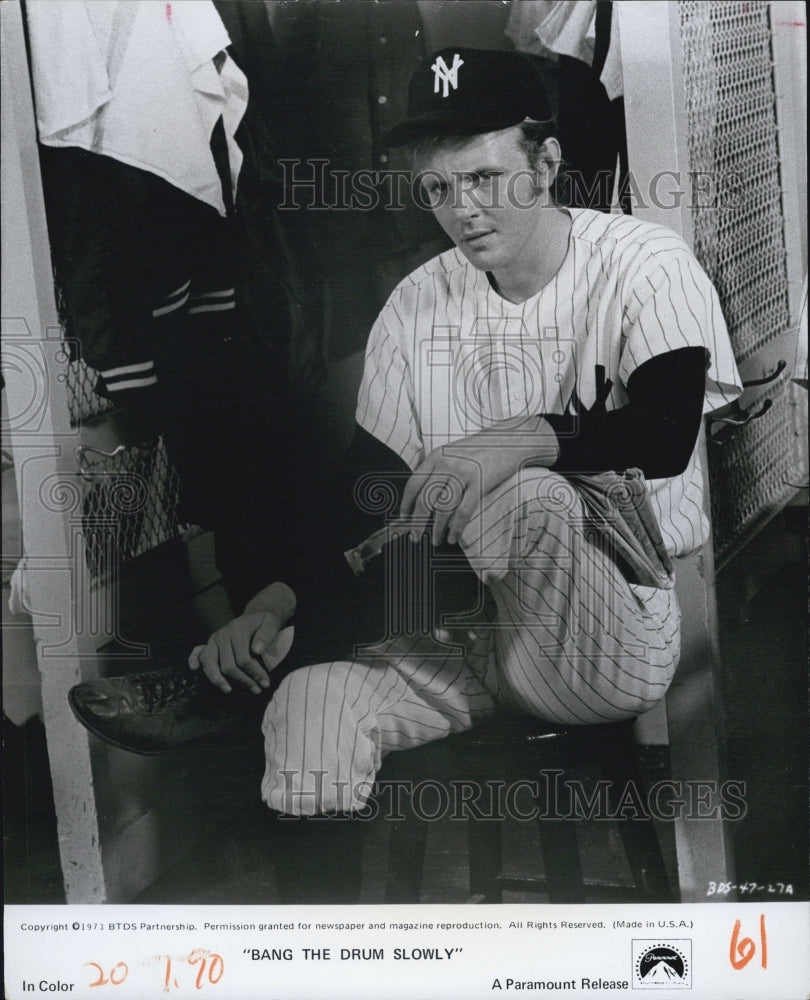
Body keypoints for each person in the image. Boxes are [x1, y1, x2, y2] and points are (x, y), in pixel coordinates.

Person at [70, 48, 742, 903]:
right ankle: (335, 952)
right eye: (437, 189)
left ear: (545, 164)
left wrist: (518, 438)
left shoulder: (645, 263)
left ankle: (218, 695)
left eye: (485, 177)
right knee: (309, 709)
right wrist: (275, 601)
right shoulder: (419, 301)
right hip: (457, 636)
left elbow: (666, 433)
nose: (462, 211)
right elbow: (365, 493)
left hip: (603, 634)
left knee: (522, 493)